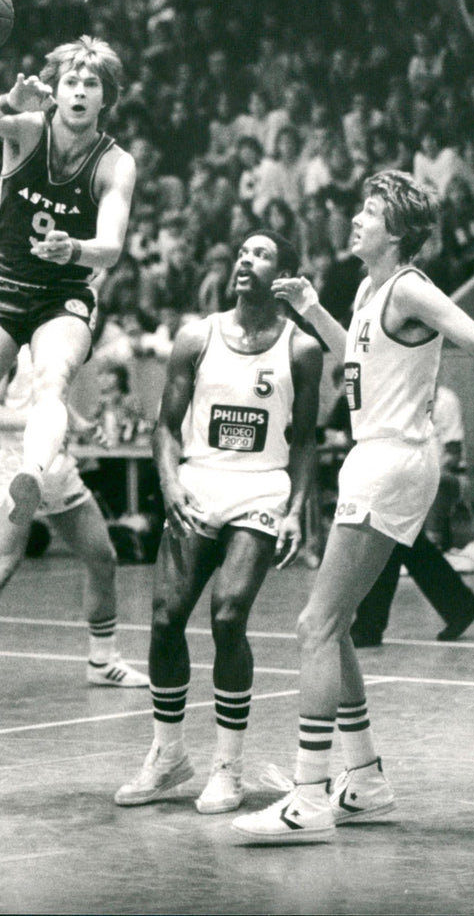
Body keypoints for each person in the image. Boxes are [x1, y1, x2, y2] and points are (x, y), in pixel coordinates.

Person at [230, 170, 474, 844]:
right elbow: (360, 364)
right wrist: (314, 309)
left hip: (393, 461)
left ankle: (309, 799)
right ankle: (364, 781)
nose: (357, 219)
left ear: (397, 233)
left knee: (314, 623)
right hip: (378, 456)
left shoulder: (411, 288)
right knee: (334, 625)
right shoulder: (372, 291)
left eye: (370, 212)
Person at [114, 230, 322, 815]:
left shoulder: (301, 349)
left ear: (283, 276)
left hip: (261, 488)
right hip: (200, 482)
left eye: (260, 255)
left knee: (228, 615)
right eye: (240, 252)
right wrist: (170, 480)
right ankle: (167, 755)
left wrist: (297, 511)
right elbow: (164, 425)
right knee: (164, 618)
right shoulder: (195, 335)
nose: (243, 262)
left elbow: (305, 441)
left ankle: (227, 766)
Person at [0, 36, 136, 566]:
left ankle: (32, 472)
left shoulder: (115, 163)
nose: (78, 91)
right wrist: (8, 101)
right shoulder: (27, 129)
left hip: (63, 294)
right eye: (70, 81)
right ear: (56, 90)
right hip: (3, 286)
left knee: (52, 382)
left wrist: (74, 248)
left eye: (90, 84)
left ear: (105, 97)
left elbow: (112, 248)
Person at [0, 346, 147, 710]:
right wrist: (38, 421)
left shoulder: (56, 341)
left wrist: (77, 424)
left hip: (58, 468)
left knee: (102, 556)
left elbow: (54, 400)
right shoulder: (5, 347)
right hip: (18, 465)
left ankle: (103, 659)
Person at [349, 382, 474, 647]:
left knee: (388, 536)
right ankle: (458, 606)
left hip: (416, 469)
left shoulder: (442, 398)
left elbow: (453, 450)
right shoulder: (394, 389)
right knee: (401, 540)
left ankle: (369, 625)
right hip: (400, 467)